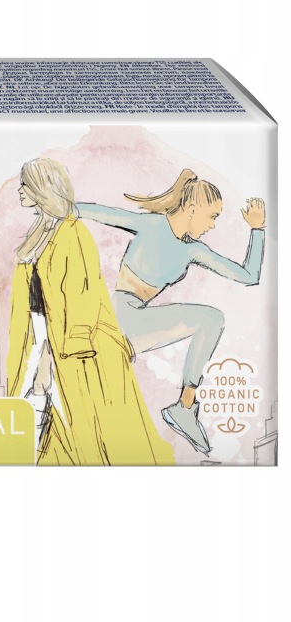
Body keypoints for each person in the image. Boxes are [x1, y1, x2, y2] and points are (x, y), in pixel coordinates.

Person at [76, 169, 266, 455]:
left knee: (212, 320)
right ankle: (184, 409)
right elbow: (101, 213)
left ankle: (184, 409)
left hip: (136, 322)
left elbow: (249, 276)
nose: (213, 225)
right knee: (211, 319)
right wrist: (63, 207)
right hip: (120, 318)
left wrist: (257, 230)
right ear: (192, 208)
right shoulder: (152, 225)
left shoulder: (193, 251)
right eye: (212, 216)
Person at [6, 158, 174, 465]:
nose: (19, 191)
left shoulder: (73, 233)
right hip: (40, 336)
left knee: (76, 420)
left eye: (25, 185)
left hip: (75, 346)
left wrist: (52, 356)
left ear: (42, 188)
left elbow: (81, 295)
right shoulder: (38, 234)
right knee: (47, 418)